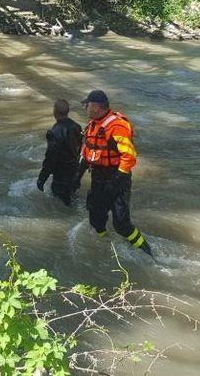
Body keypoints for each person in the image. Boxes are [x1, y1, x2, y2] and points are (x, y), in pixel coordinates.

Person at [78, 89, 153, 256]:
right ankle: (105, 247)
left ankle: (147, 252)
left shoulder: (117, 127)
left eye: (87, 105)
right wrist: (78, 174)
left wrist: (116, 179)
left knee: (121, 224)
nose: (85, 108)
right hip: (98, 176)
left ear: (96, 107)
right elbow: (89, 151)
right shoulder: (92, 124)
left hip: (118, 177)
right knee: (96, 217)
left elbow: (129, 156)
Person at [36, 99, 83, 206]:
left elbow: (50, 159)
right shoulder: (76, 126)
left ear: (55, 112)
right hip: (74, 171)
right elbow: (80, 148)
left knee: (61, 204)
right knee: (71, 200)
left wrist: (41, 179)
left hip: (61, 176)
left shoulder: (54, 132)